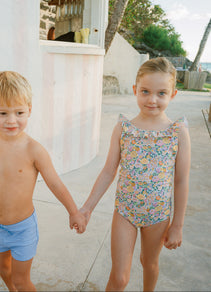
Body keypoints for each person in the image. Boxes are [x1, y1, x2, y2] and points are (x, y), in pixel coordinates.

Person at [80, 57, 191, 291]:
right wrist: (87, 207)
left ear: (173, 94)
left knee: (149, 263)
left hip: (158, 215)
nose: (152, 99)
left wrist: (178, 225)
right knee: (119, 277)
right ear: (135, 90)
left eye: (161, 93)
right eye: (145, 91)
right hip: (125, 212)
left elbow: (181, 181)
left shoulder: (178, 132)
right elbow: (109, 171)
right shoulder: (124, 128)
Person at [0, 71, 86, 291]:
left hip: (22, 228)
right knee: (4, 271)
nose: (11, 120)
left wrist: (74, 211)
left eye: (19, 112)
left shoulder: (34, 150)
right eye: (3, 113)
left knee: (21, 280)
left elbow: (55, 184)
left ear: (29, 110)